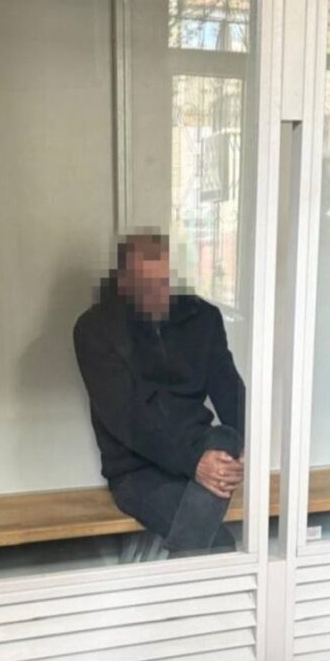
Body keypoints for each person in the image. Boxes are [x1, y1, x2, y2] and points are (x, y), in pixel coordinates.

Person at [73, 232, 246, 557]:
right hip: (137, 470)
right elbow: (127, 417)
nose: (157, 293)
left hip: (200, 449)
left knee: (226, 437)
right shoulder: (95, 329)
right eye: (145, 285)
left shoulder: (202, 318)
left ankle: (178, 577)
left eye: (163, 282)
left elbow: (229, 389)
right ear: (124, 283)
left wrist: (251, 447)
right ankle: (184, 578)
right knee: (219, 544)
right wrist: (193, 462)